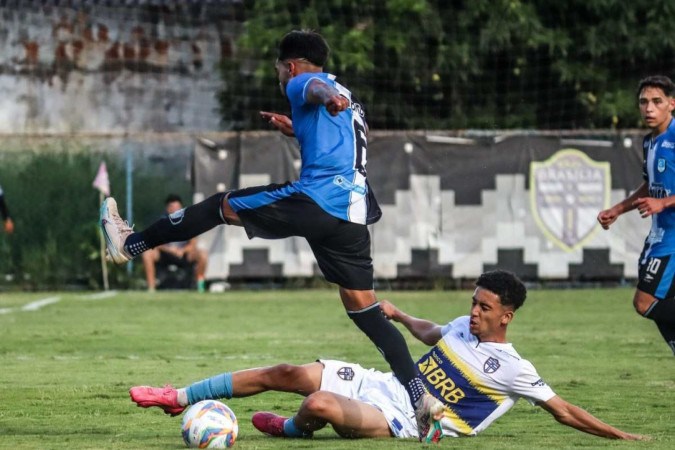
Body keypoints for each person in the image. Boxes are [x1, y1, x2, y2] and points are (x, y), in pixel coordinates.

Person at [100, 29, 442, 438]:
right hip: (351, 214)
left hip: (316, 200)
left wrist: (320, 96)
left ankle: (129, 243)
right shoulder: (349, 97)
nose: (280, 76)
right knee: (365, 311)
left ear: (291, 65)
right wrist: (295, 128)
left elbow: (312, 88)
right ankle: (419, 395)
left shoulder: (305, 82)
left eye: (279, 68)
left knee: (219, 206)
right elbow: (336, 134)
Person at [129, 270, 646, 442]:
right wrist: (399, 317)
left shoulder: (515, 368)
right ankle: (177, 396)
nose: (473, 311)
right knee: (286, 371)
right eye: (472, 301)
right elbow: (431, 333)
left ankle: (289, 430)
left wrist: (621, 435)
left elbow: (563, 410)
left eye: (483, 307)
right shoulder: (461, 329)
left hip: (406, 419)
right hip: (387, 383)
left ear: (506, 316)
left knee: (319, 406)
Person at [597, 75, 675, 355]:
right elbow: (649, 184)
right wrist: (617, 209)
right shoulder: (650, 142)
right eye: (644, 102)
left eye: (657, 101)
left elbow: (661, 197)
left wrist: (664, 203)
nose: (649, 108)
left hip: (672, 240)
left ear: (672, 104)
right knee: (662, 301)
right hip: (659, 235)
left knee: (644, 302)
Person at [141, 194, 208, 293]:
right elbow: (155, 242)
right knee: (147, 254)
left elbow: (193, 243)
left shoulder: (189, 222)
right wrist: (169, 249)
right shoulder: (161, 223)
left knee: (203, 254)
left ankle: (200, 286)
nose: (175, 210)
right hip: (165, 255)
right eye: (172, 207)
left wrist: (182, 250)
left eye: (177, 207)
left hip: (183, 254)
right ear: (167, 209)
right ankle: (151, 288)